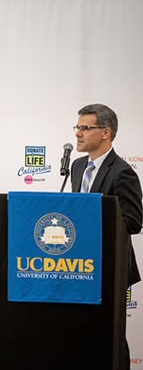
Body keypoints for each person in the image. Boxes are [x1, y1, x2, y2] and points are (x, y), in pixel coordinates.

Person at [71, 104, 142, 369]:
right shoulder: (77, 167)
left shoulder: (122, 171)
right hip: (79, 266)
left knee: (110, 335)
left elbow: (133, 222)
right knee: (85, 335)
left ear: (105, 132)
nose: (78, 133)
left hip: (110, 268)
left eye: (84, 128)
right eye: (76, 127)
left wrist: (91, 223)